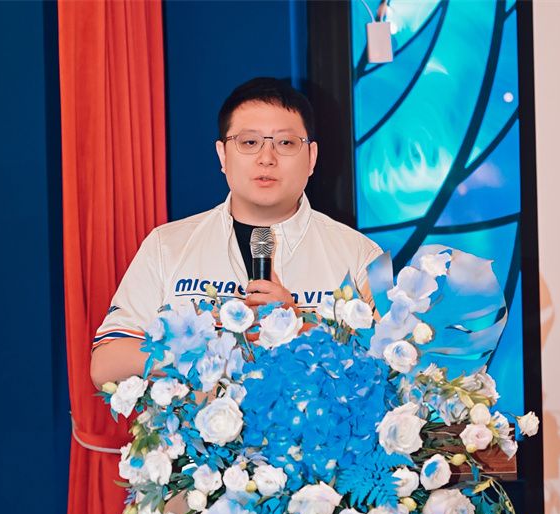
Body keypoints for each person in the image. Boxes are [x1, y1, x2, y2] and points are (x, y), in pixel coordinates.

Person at [90, 76, 382, 389]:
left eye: (285, 143)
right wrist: (211, 354)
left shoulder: (364, 255)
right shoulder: (166, 245)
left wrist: (298, 327)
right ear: (223, 156)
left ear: (311, 158)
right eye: (249, 143)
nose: (266, 158)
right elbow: (105, 363)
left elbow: (397, 367)